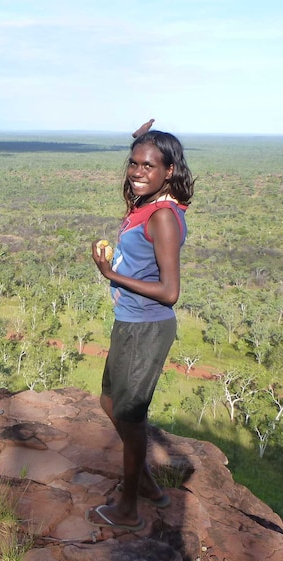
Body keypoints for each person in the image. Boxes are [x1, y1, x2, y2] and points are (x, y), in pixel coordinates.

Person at [86, 127, 195, 531]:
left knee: (131, 419)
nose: (136, 171)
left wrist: (111, 274)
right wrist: (140, 140)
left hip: (147, 327)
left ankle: (128, 509)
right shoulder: (149, 205)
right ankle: (148, 484)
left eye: (148, 165)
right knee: (109, 403)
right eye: (133, 163)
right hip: (129, 321)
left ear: (168, 171)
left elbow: (170, 292)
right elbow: (135, 186)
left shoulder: (164, 217)